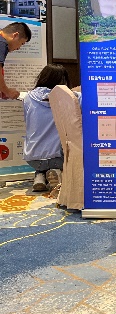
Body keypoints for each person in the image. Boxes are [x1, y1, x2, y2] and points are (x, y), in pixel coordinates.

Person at [23, 64, 71, 193]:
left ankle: (40, 176)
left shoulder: (28, 98)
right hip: (58, 158)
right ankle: (57, 172)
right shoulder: (68, 97)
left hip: (32, 158)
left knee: (41, 156)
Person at [0, 22, 31, 99]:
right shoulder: (2, 42)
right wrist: (7, 91)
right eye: (22, 43)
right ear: (15, 35)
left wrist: (3, 89)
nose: (18, 48)